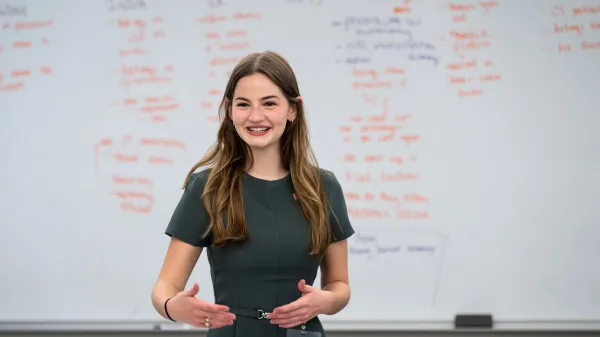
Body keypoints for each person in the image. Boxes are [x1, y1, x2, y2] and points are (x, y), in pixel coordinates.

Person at [151, 51, 355, 337]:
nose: (255, 116)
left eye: (269, 103)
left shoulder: (324, 187)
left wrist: (328, 301)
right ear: (230, 110)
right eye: (243, 104)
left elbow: (339, 286)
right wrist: (173, 307)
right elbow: (164, 288)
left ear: (293, 110)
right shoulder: (208, 188)